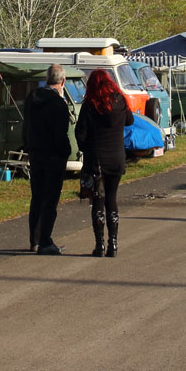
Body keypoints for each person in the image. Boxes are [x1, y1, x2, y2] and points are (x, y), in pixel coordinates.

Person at [75, 68, 134, 257]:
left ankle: (99, 245)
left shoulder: (90, 104)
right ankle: (113, 245)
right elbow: (130, 121)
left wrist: (87, 148)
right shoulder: (119, 100)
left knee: (98, 202)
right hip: (116, 157)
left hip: (97, 160)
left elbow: (80, 132)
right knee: (112, 198)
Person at [22, 64, 72, 255]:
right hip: (52, 156)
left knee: (37, 197)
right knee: (50, 200)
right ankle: (45, 241)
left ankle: (34, 240)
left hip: (36, 153)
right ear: (63, 81)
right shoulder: (58, 104)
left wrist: (28, 145)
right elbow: (60, 134)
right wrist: (65, 151)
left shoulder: (32, 98)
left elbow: (25, 125)